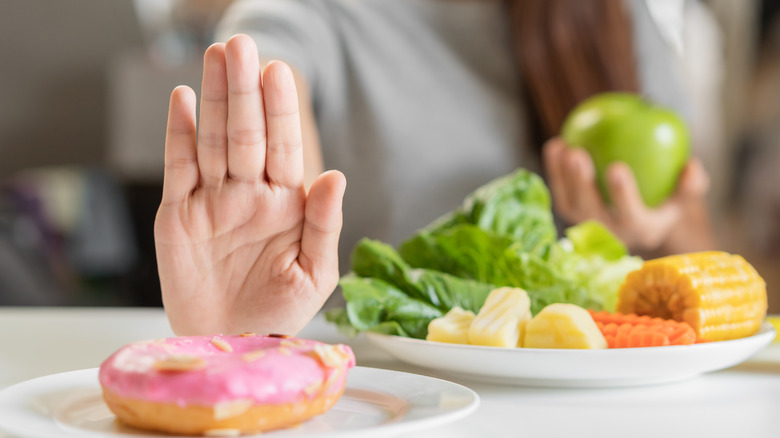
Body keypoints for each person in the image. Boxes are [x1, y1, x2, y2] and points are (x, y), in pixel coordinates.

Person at [156, 0, 719, 336]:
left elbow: (696, 243)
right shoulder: (314, 12)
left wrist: (659, 228)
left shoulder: (615, 17)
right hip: (396, 403)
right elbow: (267, 68)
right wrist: (246, 328)